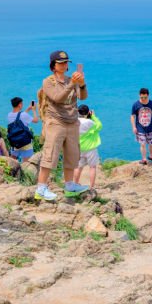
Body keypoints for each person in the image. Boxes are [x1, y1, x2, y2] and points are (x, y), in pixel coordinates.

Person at [35, 50, 89, 202]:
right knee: (50, 154)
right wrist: (72, 83)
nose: (65, 65)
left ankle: (70, 186)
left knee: (72, 155)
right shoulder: (48, 81)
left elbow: (82, 97)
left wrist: (82, 84)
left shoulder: (70, 79)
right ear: (53, 65)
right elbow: (57, 98)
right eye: (61, 63)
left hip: (72, 122)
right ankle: (41, 188)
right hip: (56, 122)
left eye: (66, 63)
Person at [73, 105, 102, 191]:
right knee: (92, 167)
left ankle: (75, 184)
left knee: (78, 167)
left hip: (79, 148)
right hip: (91, 148)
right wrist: (93, 116)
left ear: (78, 112)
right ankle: (92, 186)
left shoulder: (75, 122)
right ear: (88, 112)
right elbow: (99, 126)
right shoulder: (90, 122)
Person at [131, 88, 152, 165]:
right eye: (142, 97)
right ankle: (144, 159)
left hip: (150, 128)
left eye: (145, 97)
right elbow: (133, 116)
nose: (143, 99)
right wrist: (134, 127)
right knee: (142, 144)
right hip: (140, 128)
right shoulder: (135, 105)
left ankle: (151, 156)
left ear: (148, 95)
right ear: (139, 95)